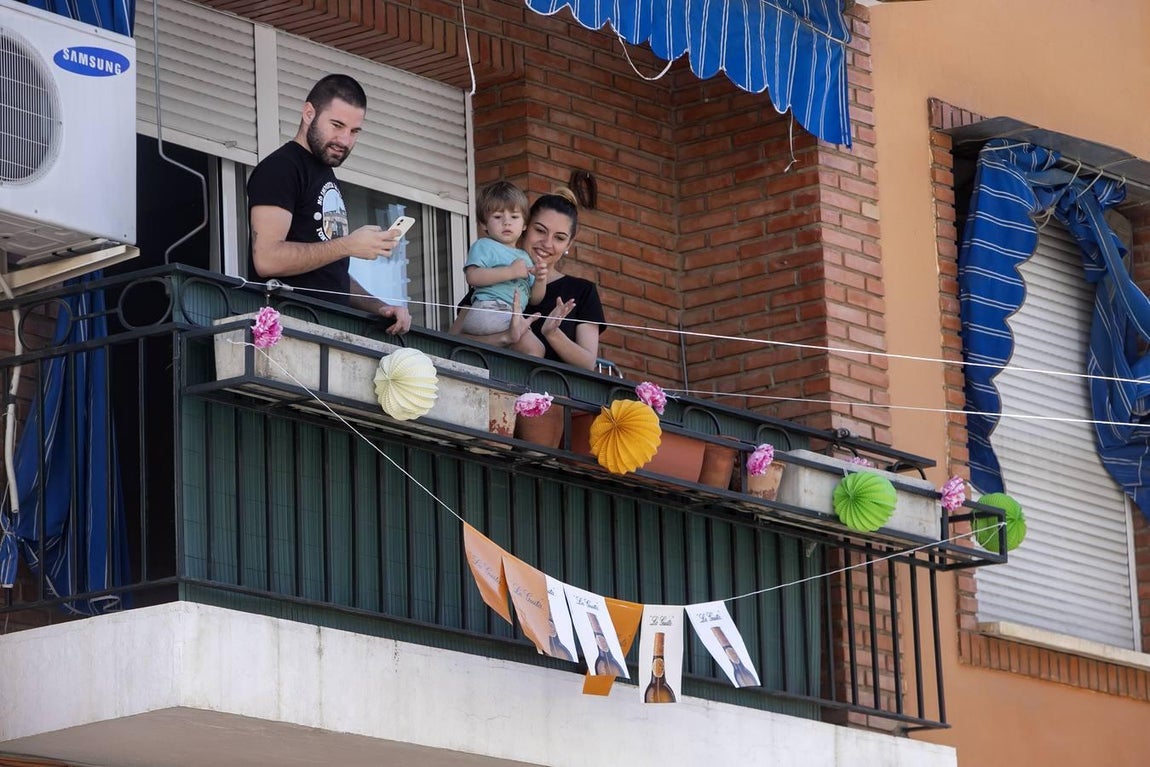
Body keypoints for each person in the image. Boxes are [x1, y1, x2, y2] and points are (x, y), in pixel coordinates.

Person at [247, 73, 411, 335]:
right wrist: (348, 245)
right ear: (308, 113)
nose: (344, 140)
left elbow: (329, 273)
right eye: (337, 125)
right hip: (289, 332)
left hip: (326, 333)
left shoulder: (325, 175)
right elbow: (267, 259)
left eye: (354, 131)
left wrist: (379, 306)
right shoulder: (281, 168)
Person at [452, 188, 605, 370]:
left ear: (568, 244)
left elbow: (588, 363)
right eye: (540, 230)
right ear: (524, 227)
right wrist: (504, 338)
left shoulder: (582, 291)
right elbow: (454, 342)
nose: (547, 243)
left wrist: (552, 333)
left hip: (551, 388)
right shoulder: (493, 277)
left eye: (559, 238)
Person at [457, 181, 546, 356]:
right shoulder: (485, 245)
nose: (506, 223)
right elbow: (473, 277)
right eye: (498, 217)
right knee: (534, 349)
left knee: (521, 352)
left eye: (514, 217)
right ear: (484, 224)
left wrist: (541, 279)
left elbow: (535, 299)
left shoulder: (525, 256)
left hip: (510, 314)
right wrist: (511, 272)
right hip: (489, 308)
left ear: (525, 224)